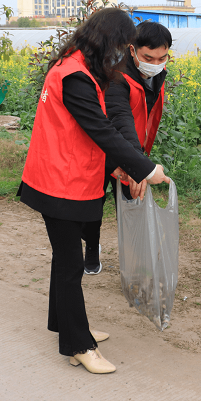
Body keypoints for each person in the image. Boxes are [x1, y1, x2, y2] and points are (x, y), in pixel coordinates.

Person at [19, 8, 170, 374]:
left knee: (64, 259)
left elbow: (85, 131)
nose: (121, 55)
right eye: (121, 46)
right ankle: (78, 344)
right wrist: (145, 168)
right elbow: (101, 129)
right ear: (107, 42)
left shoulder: (76, 67)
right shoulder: (75, 77)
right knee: (71, 264)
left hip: (65, 175)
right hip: (59, 182)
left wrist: (115, 165)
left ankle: (66, 325)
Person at [81, 21, 172, 275]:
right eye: (148, 58)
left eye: (162, 58)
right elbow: (120, 119)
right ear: (132, 50)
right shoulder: (116, 76)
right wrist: (136, 165)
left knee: (132, 202)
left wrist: (137, 160)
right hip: (104, 149)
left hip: (133, 149)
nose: (155, 64)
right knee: (93, 204)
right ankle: (91, 248)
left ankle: (134, 260)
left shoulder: (157, 74)